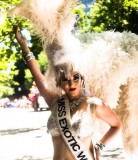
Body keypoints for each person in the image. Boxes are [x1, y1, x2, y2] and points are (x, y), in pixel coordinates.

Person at [13, 25, 121, 160]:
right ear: (59, 82)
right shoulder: (55, 102)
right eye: (65, 79)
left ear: (82, 79)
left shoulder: (93, 103)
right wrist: (24, 46)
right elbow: (36, 74)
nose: (71, 83)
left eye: (75, 77)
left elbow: (116, 125)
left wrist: (100, 146)